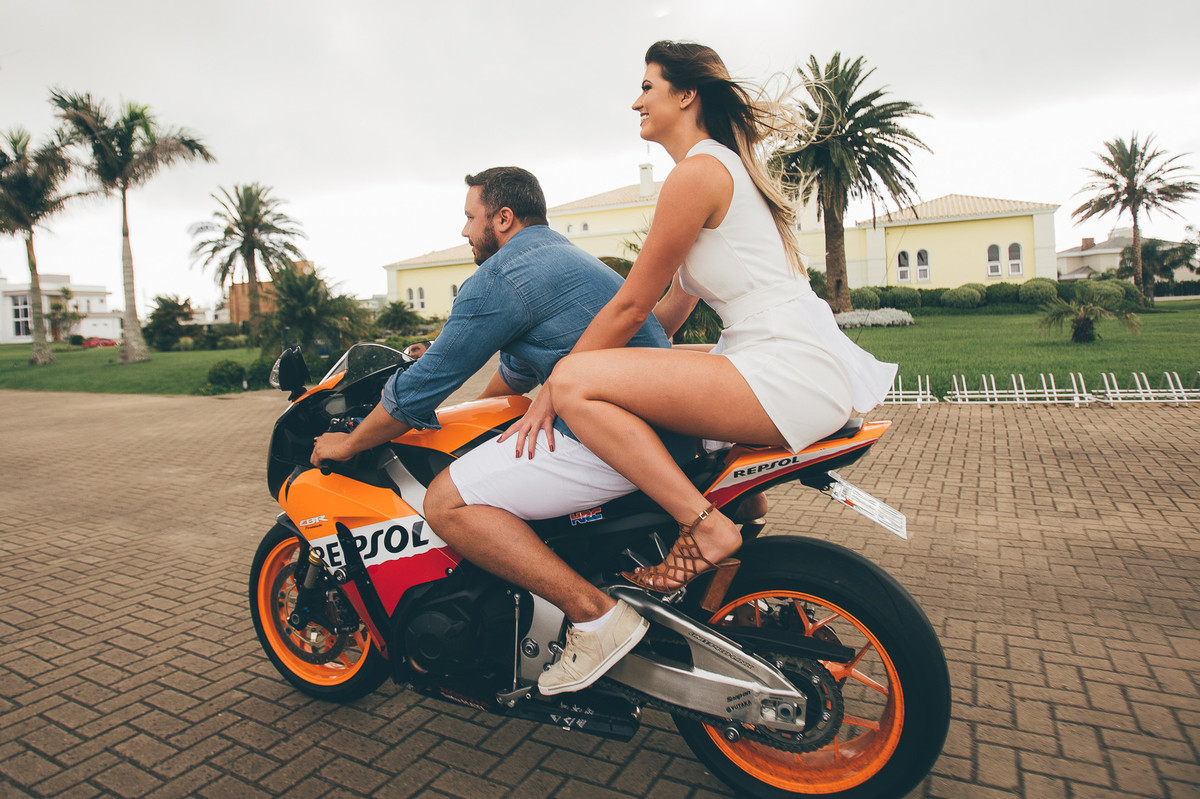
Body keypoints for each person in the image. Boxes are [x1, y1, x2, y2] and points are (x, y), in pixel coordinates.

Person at [501, 41, 897, 593]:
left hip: (784, 368)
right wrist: (618, 368)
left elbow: (631, 306)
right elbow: (664, 319)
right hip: (789, 357)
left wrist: (554, 387)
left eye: (647, 87)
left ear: (686, 94)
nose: (636, 102)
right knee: (618, 371)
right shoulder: (723, 168)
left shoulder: (697, 174)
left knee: (573, 383)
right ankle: (741, 505)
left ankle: (704, 525)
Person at [312, 166, 690, 695]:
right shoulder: (565, 258)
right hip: (665, 424)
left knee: (447, 503)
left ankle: (595, 616)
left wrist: (351, 441)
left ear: (503, 218)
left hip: (615, 438)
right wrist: (472, 415)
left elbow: (421, 387)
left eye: (471, 217)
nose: (465, 231)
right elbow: (514, 376)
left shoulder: (500, 278)